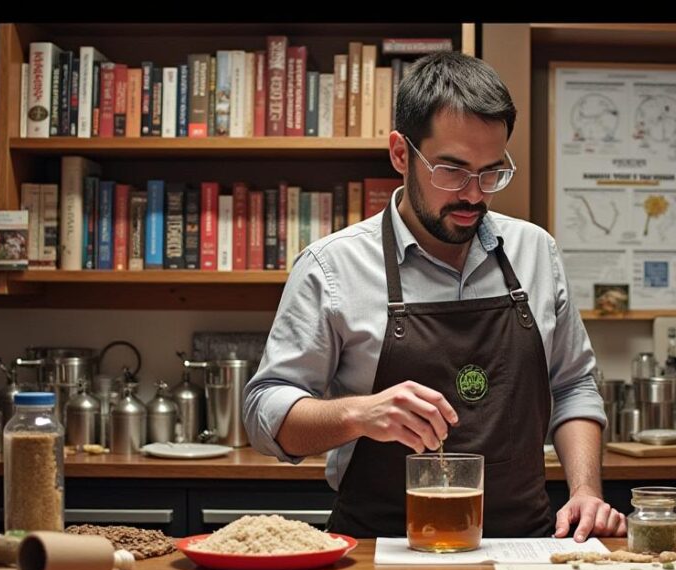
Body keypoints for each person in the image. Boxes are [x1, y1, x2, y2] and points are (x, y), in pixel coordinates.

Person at [243, 51, 625, 542]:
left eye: (491, 172)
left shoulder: (535, 251)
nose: (473, 195)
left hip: (526, 546)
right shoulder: (332, 266)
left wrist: (586, 491)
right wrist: (360, 414)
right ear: (401, 154)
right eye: (452, 170)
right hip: (378, 551)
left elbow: (572, 387)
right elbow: (263, 411)